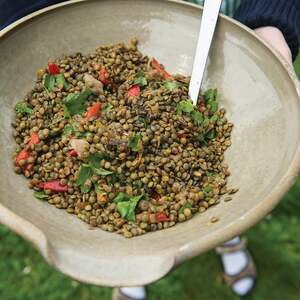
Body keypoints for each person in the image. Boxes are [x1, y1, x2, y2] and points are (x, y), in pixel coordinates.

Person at [1, 0, 299, 299]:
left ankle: (229, 241)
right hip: (92, 10)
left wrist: (269, 18)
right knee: (130, 245)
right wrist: (27, 20)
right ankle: (129, 276)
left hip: (213, 33)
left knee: (230, 211)